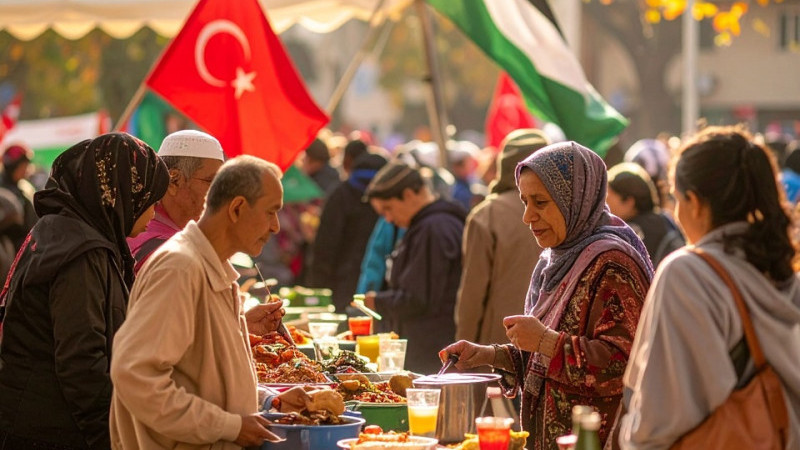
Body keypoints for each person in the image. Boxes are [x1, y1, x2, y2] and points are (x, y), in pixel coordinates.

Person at [441, 141, 654, 450]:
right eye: (525, 201)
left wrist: (544, 341)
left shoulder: (612, 265)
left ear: (574, 199)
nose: (528, 216)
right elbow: (545, 362)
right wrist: (489, 356)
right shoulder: (556, 260)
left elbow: (623, 366)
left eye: (540, 202)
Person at [619, 126, 800, 449]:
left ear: (696, 203)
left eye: (676, 198)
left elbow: (658, 422)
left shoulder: (689, 275)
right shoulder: (786, 273)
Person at [0, 132, 170, 449]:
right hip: (47, 429)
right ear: (121, 192)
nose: (154, 211)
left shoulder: (68, 230)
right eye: (149, 199)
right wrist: (113, 439)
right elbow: (82, 364)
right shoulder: (80, 252)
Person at [110, 156, 287, 449]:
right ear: (237, 208)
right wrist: (229, 426)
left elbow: (206, 381)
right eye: (271, 212)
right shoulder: (180, 269)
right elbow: (135, 375)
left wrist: (271, 400)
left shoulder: (212, 267)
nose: (276, 226)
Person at [363, 161, 466, 374]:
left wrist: (378, 301)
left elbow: (418, 298)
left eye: (388, 209)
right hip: (431, 348)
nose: (389, 219)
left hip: (431, 352)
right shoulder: (429, 225)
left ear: (409, 194)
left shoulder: (433, 229)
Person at [455, 129, 549, 345]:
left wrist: (463, 347)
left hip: (500, 345)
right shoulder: (567, 209)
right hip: (550, 343)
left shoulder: (488, 214)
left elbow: (472, 294)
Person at [128, 129, 225, 273]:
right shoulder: (163, 251)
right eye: (211, 181)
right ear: (174, 181)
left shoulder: (141, 226)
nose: (220, 193)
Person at [309, 152, 387, 310]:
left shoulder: (340, 193)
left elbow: (325, 244)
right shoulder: (389, 199)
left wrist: (317, 286)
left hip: (342, 281)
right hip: (382, 288)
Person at [606, 162, 684, 267]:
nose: (605, 204)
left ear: (629, 201)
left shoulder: (630, 233)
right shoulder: (665, 219)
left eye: (608, 197)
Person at [0, 143, 38, 250]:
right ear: (13, 167)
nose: (26, 169)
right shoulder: (3, 190)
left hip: (26, 245)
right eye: (23, 166)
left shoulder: (25, 187)